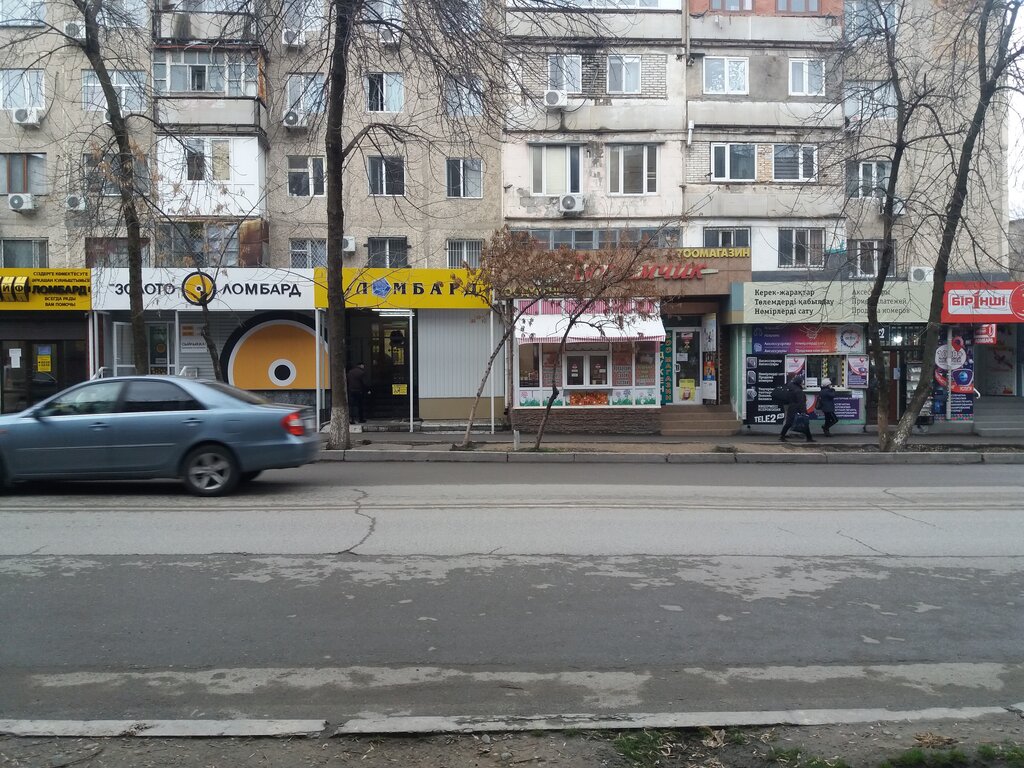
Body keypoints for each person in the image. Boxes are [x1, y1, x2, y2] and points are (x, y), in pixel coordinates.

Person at [780, 375, 814, 442]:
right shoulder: (798, 391)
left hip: (791, 407)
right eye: (802, 382)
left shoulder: (791, 388)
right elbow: (801, 402)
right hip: (798, 408)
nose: (802, 383)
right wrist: (804, 411)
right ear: (799, 383)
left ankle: (782, 435)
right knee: (805, 423)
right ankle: (809, 438)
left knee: (789, 423)